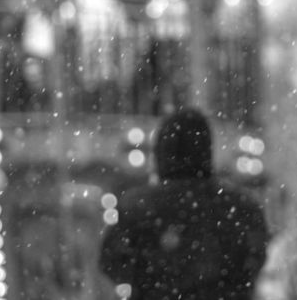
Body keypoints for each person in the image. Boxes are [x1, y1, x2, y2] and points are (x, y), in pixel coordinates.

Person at [99, 107, 269, 300]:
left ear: (161, 151)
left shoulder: (137, 207)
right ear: (207, 149)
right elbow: (254, 260)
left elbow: (112, 263)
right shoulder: (242, 208)